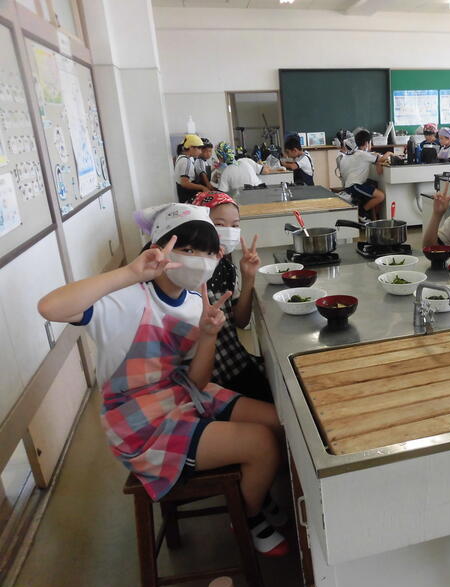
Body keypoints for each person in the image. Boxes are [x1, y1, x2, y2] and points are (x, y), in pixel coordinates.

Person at [37, 203, 289, 556]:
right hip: (137, 420)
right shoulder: (124, 300)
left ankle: (254, 495)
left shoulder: (194, 303)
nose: (199, 260)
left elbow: (197, 383)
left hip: (181, 393)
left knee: (279, 422)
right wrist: (129, 272)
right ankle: (247, 516)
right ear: (159, 248)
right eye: (188, 249)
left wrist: (208, 336)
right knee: (261, 443)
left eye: (206, 252)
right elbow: (50, 308)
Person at [192, 191, 272, 402]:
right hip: (205, 377)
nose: (228, 231)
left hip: (236, 363)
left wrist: (248, 277)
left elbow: (240, 321)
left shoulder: (226, 268)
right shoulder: (187, 271)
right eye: (219, 224)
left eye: (235, 225)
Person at [337, 129, 391, 219]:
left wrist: (376, 157)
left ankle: (363, 214)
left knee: (376, 192)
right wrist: (389, 153)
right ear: (366, 143)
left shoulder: (358, 153)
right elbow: (382, 159)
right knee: (381, 196)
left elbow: (376, 162)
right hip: (354, 186)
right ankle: (361, 214)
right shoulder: (363, 155)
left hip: (352, 185)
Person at [174, 134, 209, 203]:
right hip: (187, 198)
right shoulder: (186, 161)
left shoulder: (182, 157)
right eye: (199, 148)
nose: (200, 152)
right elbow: (185, 183)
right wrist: (203, 187)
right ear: (191, 148)